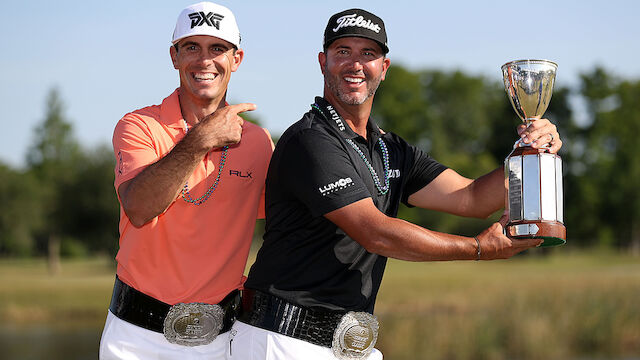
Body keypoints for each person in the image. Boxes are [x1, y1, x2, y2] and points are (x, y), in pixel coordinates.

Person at [228, 8, 563, 360]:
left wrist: (529, 153)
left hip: (348, 344)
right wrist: (477, 248)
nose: (355, 64)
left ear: (383, 68)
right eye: (343, 51)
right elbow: (376, 232)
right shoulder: (310, 140)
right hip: (282, 339)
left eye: (368, 54)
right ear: (322, 61)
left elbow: (473, 198)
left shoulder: (390, 149)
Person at [99, 2, 273, 359]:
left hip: (221, 339)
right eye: (192, 47)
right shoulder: (138, 126)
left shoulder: (258, 142)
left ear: (236, 59)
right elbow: (140, 208)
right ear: (174, 56)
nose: (204, 60)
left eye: (218, 49)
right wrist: (202, 139)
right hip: (135, 338)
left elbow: (286, 228)